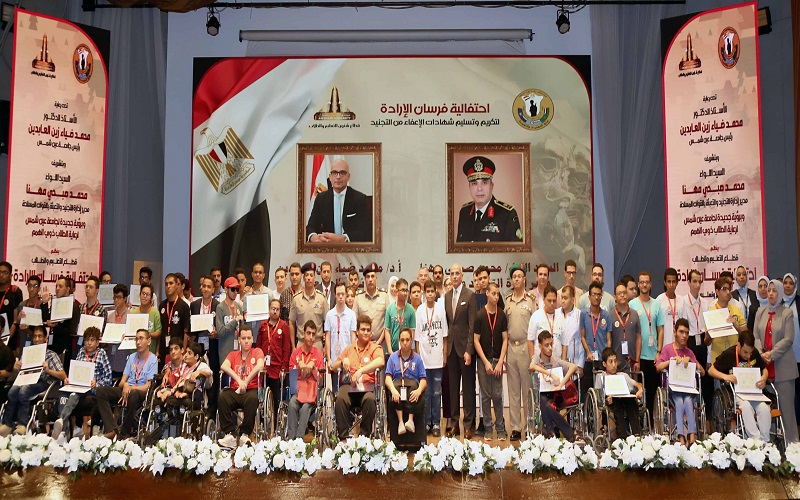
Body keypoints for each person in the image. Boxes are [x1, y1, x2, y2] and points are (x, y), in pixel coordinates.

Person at [0, 325, 66, 436]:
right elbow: (18, 373)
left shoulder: (51, 355)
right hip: (26, 379)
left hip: (43, 381)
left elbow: (63, 375)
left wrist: (48, 370)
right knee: (12, 391)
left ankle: (22, 424)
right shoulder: (27, 354)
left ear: (46, 339)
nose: (37, 339)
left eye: (40, 336)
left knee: (24, 390)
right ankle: (7, 424)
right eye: (35, 336)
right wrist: (16, 367)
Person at [754, 280, 798, 443]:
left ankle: (792, 446)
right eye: (769, 290)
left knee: (786, 411)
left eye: (774, 291)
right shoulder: (760, 311)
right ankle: (771, 445)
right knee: (766, 410)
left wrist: (771, 354)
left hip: (783, 368)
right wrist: (760, 353)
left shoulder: (787, 313)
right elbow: (755, 336)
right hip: (764, 367)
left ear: (780, 294)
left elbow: (788, 339)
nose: (771, 293)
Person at [95, 329, 158, 439]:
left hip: (141, 392)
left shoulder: (153, 359)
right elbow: (122, 382)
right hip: (126, 389)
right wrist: (125, 385)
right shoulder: (132, 357)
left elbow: (148, 386)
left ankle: (124, 432)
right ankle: (112, 429)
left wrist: (131, 388)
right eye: (136, 339)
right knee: (101, 391)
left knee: (133, 394)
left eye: (141, 338)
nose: (138, 342)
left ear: (149, 341)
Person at [52, 326, 112, 440]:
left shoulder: (102, 354)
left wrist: (97, 383)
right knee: (63, 397)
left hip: (92, 389)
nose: (89, 343)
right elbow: (76, 371)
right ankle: (64, 431)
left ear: (97, 342)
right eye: (87, 340)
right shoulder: (81, 352)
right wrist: (69, 379)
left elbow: (108, 378)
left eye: (92, 340)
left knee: (74, 396)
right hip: (77, 386)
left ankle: (61, 423)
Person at [709, 330, 771, 442]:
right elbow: (711, 370)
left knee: (764, 409)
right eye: (745, 352)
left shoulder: (754, 353)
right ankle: (755, 440)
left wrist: (764, 378)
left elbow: (764, 369)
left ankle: (765, 441)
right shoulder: (729, 354)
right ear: (738, 345)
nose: (748, 356)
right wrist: (725, 376)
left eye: (750, 353)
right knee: (746, 407)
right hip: (736, 393)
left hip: (754, 392)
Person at [332, 315, 385, 439]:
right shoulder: (349, 349)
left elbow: (381, 362)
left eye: (368, 330)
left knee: (370, 400)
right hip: (349, 386)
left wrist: (361, 371)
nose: (366, 332)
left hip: (367, 387)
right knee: (340, 399)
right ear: (357, 331)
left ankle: (364, 437)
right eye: (363, 329)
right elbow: (334, 367)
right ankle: (343, 437)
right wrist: (342, 361)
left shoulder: (375, 348)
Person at [656, 319, 705, 446]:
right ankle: (681, 435)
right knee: (679, 402)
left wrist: (693, 363)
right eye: (681, 332)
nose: (684, 336)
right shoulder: (667, 349)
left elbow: (703, 372)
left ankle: (692, 435)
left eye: (687, 333)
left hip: (687, 389)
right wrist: (671, 361)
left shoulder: (689, 352)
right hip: (673, 389)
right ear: (675, 332)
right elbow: (658, 367)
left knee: (688, 401)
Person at [217, 324, 264, 448]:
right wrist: (239, 380)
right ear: (239, 340)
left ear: (252, 339)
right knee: (223, 398)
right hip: (235, 389)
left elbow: (260, 365)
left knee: (252, 399)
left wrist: (246, 382)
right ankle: (230, 434)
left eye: (249, 338)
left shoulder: (257, 352)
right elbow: (224, 366)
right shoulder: (233, 355)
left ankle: (244, 433)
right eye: (243, 338)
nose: (246, 341)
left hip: (251, 389)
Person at [529, 330, 580, 442]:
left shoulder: (555, 361)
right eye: (546, 345)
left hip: (555, 395)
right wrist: (550, 374)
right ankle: (570, 434)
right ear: (540, 346)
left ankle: (550, 432)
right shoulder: (537, 359)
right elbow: (532, 366)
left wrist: (561, 384)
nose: (550, 348)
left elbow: (573, 367)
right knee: (545, 403)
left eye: (551, 344)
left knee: (548, 405)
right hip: (541, 395)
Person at [456, 155, 522, 242]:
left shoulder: (507, 215)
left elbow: (516, 250)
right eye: (474, 183)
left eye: (484, 183)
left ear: (492, 186)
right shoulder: (464, 212)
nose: (479, 188)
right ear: (469, 187)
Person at [504, 264, 536, 441]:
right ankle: (516, 428)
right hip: (511, 348)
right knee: (513, 391)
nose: (516, 279)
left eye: (519, 276)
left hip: (526, 348)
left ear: (524, 280)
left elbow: (536, 326)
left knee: (527, 390)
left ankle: (530, 426)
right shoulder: (507, 300)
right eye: (514, 276)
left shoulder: (531, 300)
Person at [306, 159, 372, 243]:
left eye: (342, 173)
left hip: (350, 246)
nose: (338, 177)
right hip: (327, 245)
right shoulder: (321, 198)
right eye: (334, 173)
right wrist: (313, 237)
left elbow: (366, 231)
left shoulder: (359, 199)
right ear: (330, 177)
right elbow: (311, 226)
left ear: (348, 176)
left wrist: (343, 238)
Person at [474, 283, 508, 440]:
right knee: (486, 395)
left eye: (498, 294)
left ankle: (500, 428)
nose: (496, 296)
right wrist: (485, 362)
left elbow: (505, 339)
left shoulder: (502, 315)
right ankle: (488, 428)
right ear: (487, 293)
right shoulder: (480, 315)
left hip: (497, 360)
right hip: (484, 361)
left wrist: (500, 362)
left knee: (497, 395)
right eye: (493, 293)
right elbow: (476, 340)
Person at [630, 271, 664, 422]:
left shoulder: (656, 304)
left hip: (653, 356)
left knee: (651, 393)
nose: (644, 285)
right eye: (642, 282)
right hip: (638, 357)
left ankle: (650, 425)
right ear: (638, 284)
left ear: (650, 284)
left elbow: (660, 329)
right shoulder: (632, 304)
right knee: (637, 393)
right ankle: (638, 425)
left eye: (647, 282)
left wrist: (659, 351)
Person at [415, 280, 448, 436]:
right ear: (424, 293)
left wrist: (445, 354)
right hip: (424, 359)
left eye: (432, 291)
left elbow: (445, 335)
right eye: (427, 291)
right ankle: (426, 423)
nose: (429, 294)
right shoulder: (420, 311)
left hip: (437, 358)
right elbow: (417, 338)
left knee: (436, 392)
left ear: (436, 293)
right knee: (426, 393)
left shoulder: (440, 309)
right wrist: (418, 358)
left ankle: (436, 423)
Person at [385, 328, 427, 436]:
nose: (405, 343)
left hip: (412, 391)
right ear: (399, 341)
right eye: (402, 340)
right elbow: (388, 378)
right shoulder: (392, 358)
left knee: (413, 386)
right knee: (395, 386)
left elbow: (423, 380)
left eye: (407, 340)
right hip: (397, 391)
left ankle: (410, 420)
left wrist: (419, 391)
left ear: (411, 341)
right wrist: (393, 390)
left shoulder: (417, 359)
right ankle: (400, 423)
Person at [287, 320, 325, 440]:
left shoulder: (318, 354)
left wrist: (313, 369)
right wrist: (299, 366)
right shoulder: (296, 354)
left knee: (304, 409)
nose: (311, 337)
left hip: (312, 392)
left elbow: (321, 383)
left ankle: (298, 439)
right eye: (308, 333)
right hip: (298, 390)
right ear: (303, 334)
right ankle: (291, 439)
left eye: (313, 334)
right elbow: (292, 379)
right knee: (292, 404)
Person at [579, 281, 612, 399]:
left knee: (602, 392)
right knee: (588, 392)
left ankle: (603, 411)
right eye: (594, 294)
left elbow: (609, 338)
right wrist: (588, 352)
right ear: (589, 297)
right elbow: (582, 336)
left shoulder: (606, 315)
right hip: (589, 359)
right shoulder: (584, 314)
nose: (596, 297)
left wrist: (607, 356)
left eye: (599, 295)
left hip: (602, 360)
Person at [602, 347, 642, 440]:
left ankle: (636, 434)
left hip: (626, 400)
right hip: (612, 402)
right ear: (604, 364)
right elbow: (598, 397)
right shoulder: (602, 376)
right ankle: (622, 437)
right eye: (610, 362)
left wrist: (640, 390)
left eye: (615, 361)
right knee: (617, 404)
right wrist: (607, 400)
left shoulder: (623, 375)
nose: (614, 365)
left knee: (631, 401)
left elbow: (638, 384)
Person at [324, 284, 357, 395]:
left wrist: (352, 358)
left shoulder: (351, 315)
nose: (341, 297)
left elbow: (353, 338)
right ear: (335, 295)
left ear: (346, 294)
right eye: (338, 294)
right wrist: (329, 359)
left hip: (348, 359)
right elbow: (327, 337)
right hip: (335, 360)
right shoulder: (329, 315)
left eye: (343, 294)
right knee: (335, 392)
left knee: (348, 392)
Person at [706, 277, 747, 363]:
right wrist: (709, 334)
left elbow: (746, 335)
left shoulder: (736, 310)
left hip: (735, 357)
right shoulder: (710, 313)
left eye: (729, 289)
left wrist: (736, 326)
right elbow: (707, 342)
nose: (728, 292)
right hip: (717, 358)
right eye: (724, 289)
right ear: (717, 292)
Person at [43, 276, 80, 372]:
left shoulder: (74, 306)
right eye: (56, 286)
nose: (57, 288)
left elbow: (72, 330)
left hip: (65, 347)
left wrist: (57, 325)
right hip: (52, 343)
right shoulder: (54, 303)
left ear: (67, 289)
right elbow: (44, 320)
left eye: (60, 286)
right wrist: (44, 303)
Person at [289, 263, 329, 349]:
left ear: (315, 278)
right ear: (303, 278)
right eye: (306, 275)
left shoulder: (321, 298)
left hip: (317, 343)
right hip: (301, 343)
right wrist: (293, 346)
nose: (309, 278)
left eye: (311, 275)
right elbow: (291, 322)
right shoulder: (296, 299)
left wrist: (326, 347)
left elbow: (327, 322)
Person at [353, 262, 390, 349]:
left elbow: (387, 324)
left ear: (376, 278)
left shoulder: (384, 296)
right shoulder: (358, 297)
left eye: (372, 276)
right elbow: (354, 323)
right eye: (368, 277)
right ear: (365, 279)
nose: (370, 279)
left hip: (381, 345)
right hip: (363, 345)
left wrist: (378, 342)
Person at [609, 281, 641, 374]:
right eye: (619, 293)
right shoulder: (610, 315)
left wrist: (637, 360)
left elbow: (638, 338)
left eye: (624, 292)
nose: (622, 295)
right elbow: (608, 339)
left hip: (632, 361)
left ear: (627, 295)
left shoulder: (634, 314)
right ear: (615, 297)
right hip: (615, 362)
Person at [12, 275, 49, 355]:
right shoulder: (22, 305)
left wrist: (28, 329)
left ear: (39, 288)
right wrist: (18, 322)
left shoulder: (42, 305)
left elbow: (44, 326)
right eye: (30, 286)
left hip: (36, 343)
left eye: (35, 286)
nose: (32, 289)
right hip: (23, 342)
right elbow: (17, 326)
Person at [159, 273, 191, 363]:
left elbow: (186, 331)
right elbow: (160, 329)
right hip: (164, 349)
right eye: (166, 284)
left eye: (171, 283)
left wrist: (183, 350)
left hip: (177, 349)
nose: (168, 286)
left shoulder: (184, 306)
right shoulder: (162, 305)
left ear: (177, 285)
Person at [528, 285, 562, 360]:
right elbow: (530, 341)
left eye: (554, 301)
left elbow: (565, 343)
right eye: (549, 300)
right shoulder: (536, 316)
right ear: (543, 299)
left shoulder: (561, 316)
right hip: (540, 362)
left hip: (558, 362)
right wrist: (533, 361)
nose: (552, 303)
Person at [384, 278, 416, 357]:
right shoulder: (390, 309)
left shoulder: (411, 310)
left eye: (406, 290)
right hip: (392, 352)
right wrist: (390, 351)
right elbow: (387, 331)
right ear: (397, 291)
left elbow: (412, 331)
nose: (405, 293)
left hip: (406, 352)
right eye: (402, 290)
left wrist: (407, 349)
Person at [216, 276, 244, 364]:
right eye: (232, 289)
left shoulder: (239, 306)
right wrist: (235, 321)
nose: (235, 292)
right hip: (225, 352)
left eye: (237, 289)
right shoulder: (220, 307)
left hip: (238, 350)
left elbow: (242, 330)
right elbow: (220, 332)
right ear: (226, 289)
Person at [132, 283, 162, 357]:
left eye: (148, 294)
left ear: (151, 298)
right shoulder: (133, 312)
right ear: (140, 295)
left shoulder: (155, 313)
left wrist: (148, 335)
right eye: (143, 293)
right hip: (134, 352)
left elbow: (158, 332)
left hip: (150, 353)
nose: (145, 296)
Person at [0, 261, 24, 351]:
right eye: (0, 272)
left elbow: (16, 320)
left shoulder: (15, 292)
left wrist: (6, 340)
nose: (1, 275)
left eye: (5, 272)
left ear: (10, 276)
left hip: (9, 340)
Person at [655, 268, 680, 347]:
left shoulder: (682, 300)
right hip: (664, 345)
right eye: (669, 282)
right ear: (665, 283)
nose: (671, 285)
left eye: (673, 281)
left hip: (678, 345)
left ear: (677, 283)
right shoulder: (659, 300)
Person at [733, 266, 759, 330]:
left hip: (753, 331)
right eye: (739, 275)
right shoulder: (732, 296)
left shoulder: (754, 294)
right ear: (735, 278)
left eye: (744, 274)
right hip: (738, 332)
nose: (742, 277)